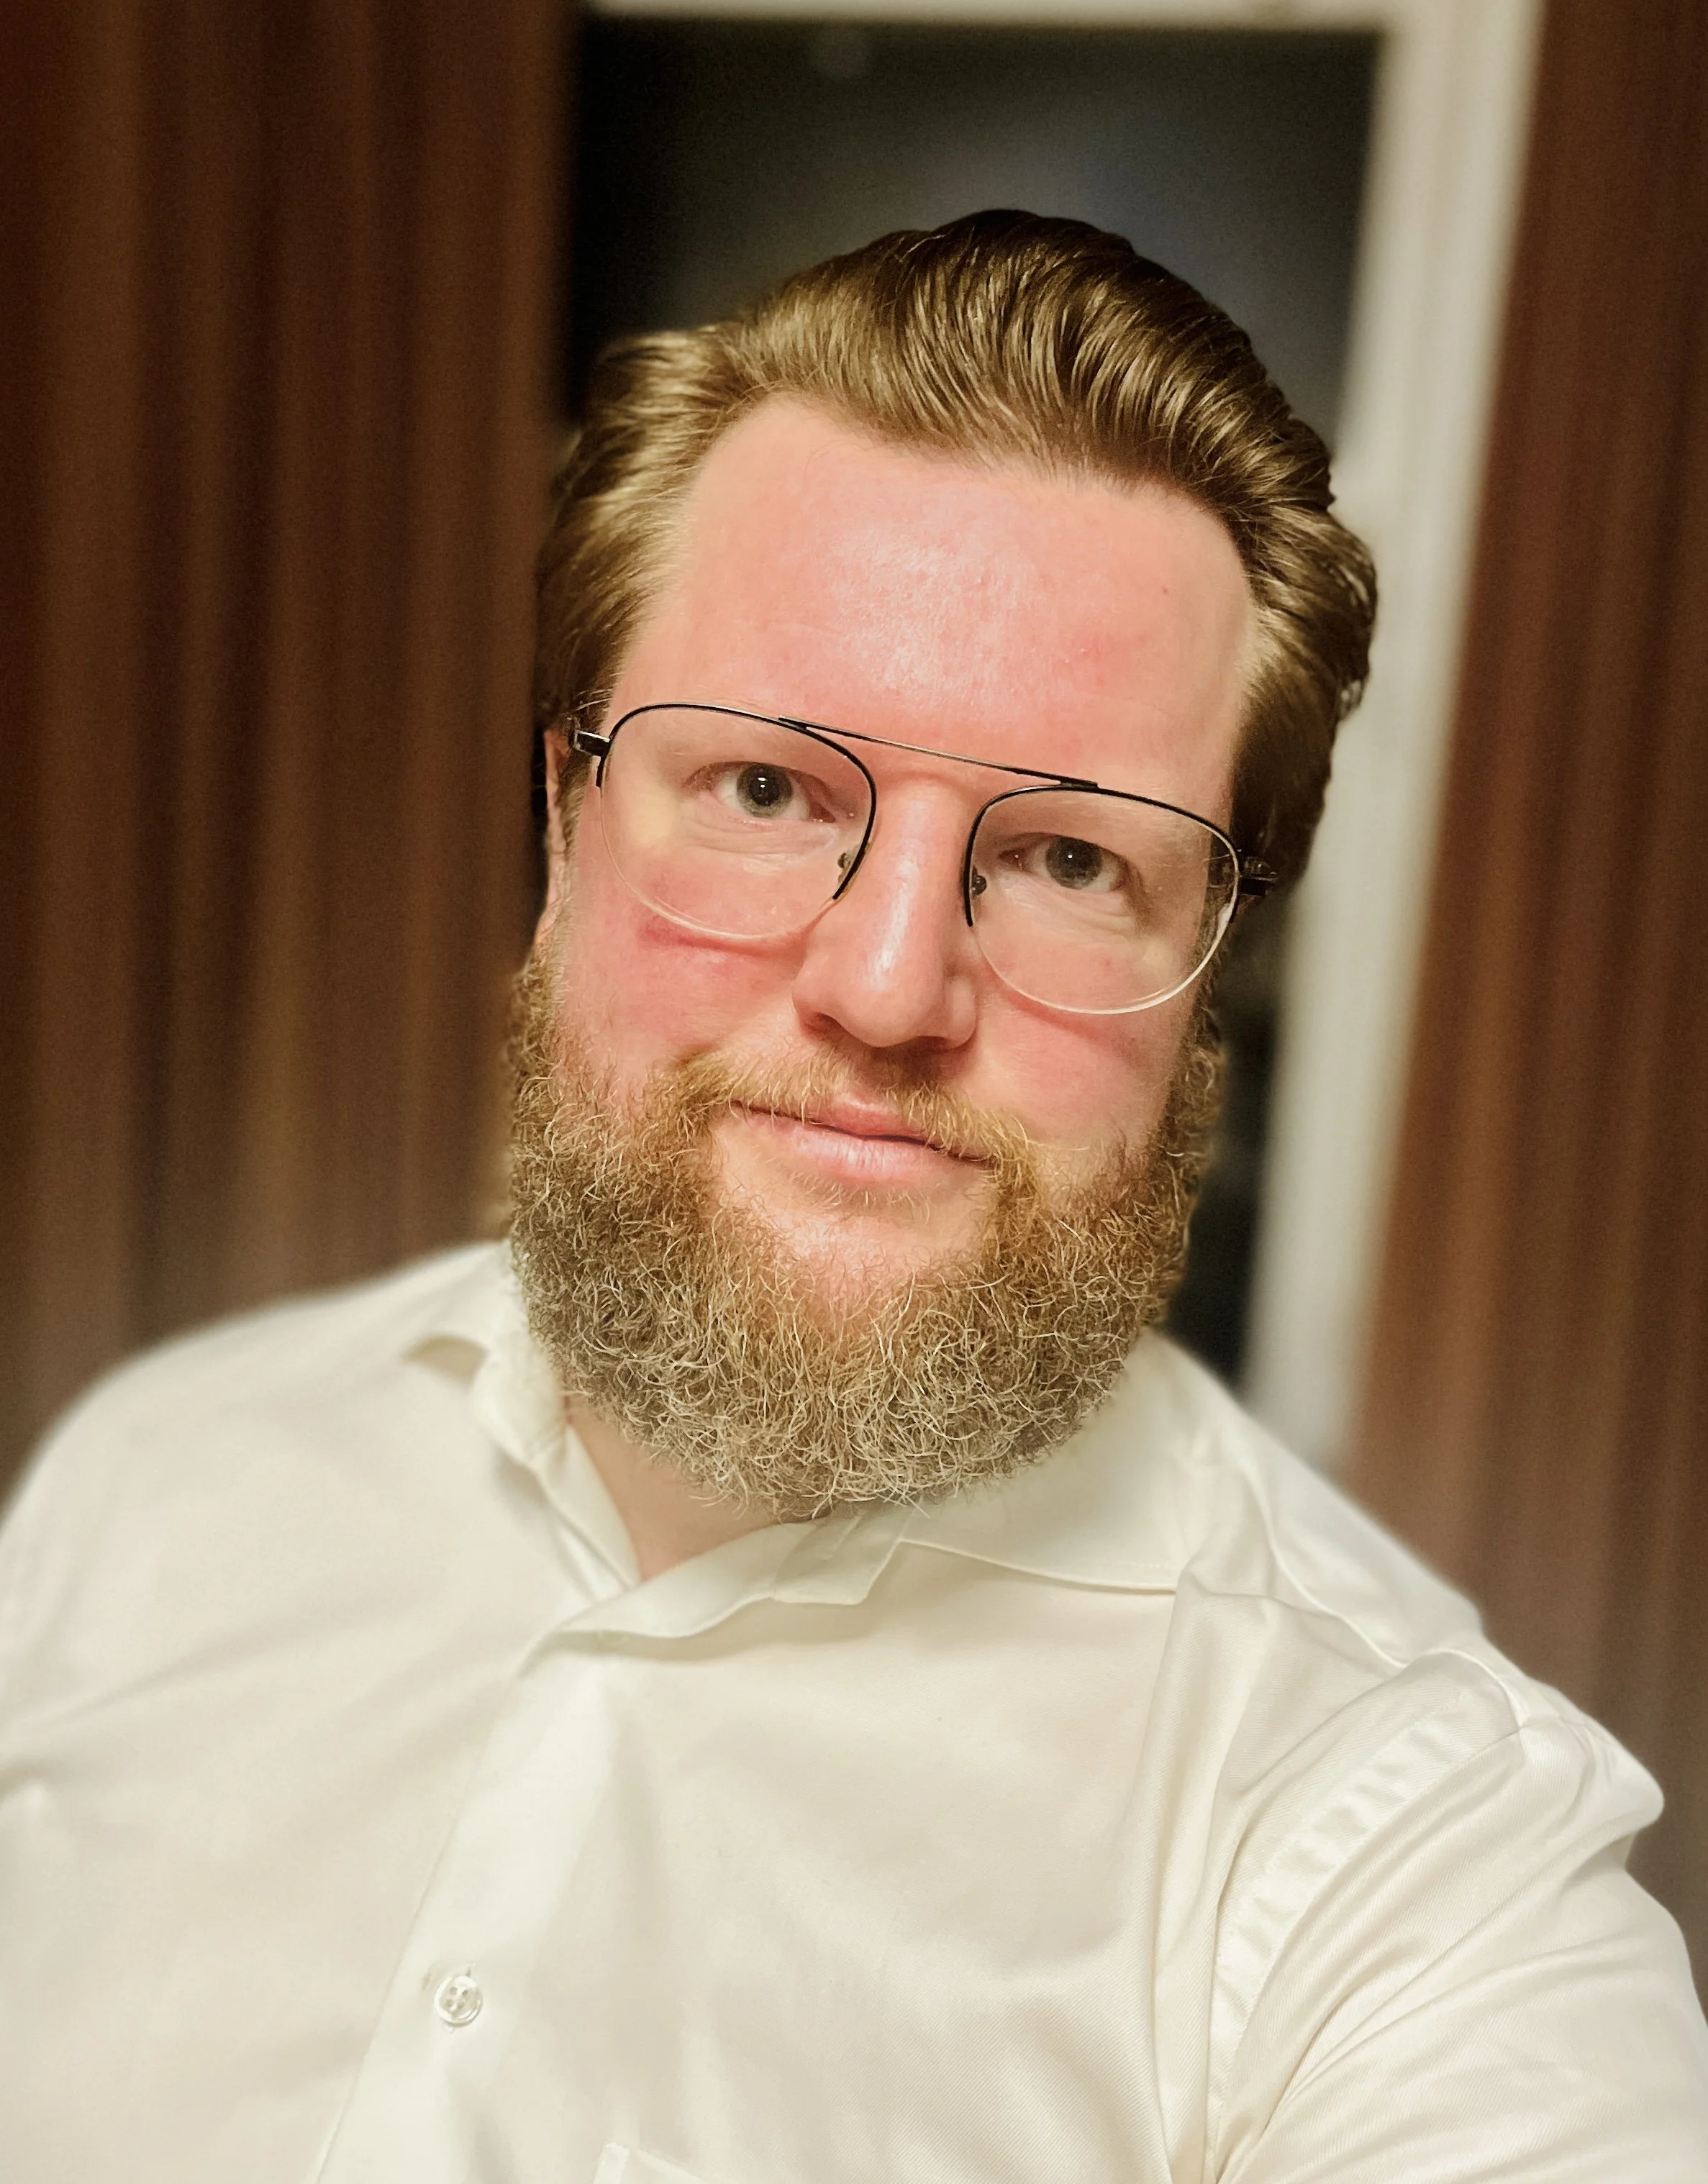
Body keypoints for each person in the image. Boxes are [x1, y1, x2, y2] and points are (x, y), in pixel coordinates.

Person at [1, 212, 1704, 2183]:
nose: (887, 990)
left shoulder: (1396, 1868)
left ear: (1213, 955)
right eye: (761, 792)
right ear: (562, 821)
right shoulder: (153, 1473)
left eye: (1072, 858)